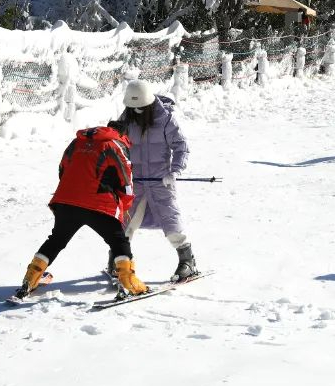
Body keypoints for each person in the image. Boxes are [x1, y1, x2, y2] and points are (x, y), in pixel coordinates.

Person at [15, 122, 148, 300]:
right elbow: (126, 180)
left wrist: (70, 194)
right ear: (122, 133)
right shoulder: (115, 144)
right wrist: (124, 205)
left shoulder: (76, 142)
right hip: (99, 203)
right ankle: (128, 282)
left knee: (56, 240)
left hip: (66, 201)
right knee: (118, 241)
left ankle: (30, 279)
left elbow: (63, 169)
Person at [114, 79, 199, 282]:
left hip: (161, 181)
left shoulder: (166, 119)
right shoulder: (126, 117)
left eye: (140, 108)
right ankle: (118, 261)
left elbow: (181, 146)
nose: (137, 112)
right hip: (134, 183)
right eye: (133, 108)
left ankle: (187, 261)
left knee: (171, 220)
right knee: (126, 224)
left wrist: (175, 172)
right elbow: (116, 146)